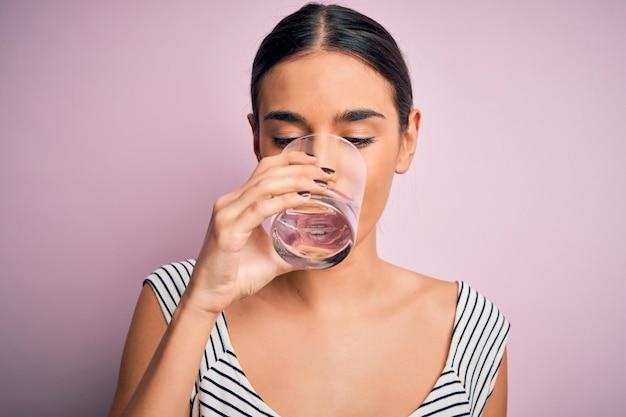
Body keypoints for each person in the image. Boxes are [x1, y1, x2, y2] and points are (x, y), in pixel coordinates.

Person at [107, 3, 510, 417]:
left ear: (407, 140)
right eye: (286, 138)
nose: (322, 168)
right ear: (257, 141)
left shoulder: (469, 330)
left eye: (356, 137)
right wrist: (202, 304)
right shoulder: (176, 299)